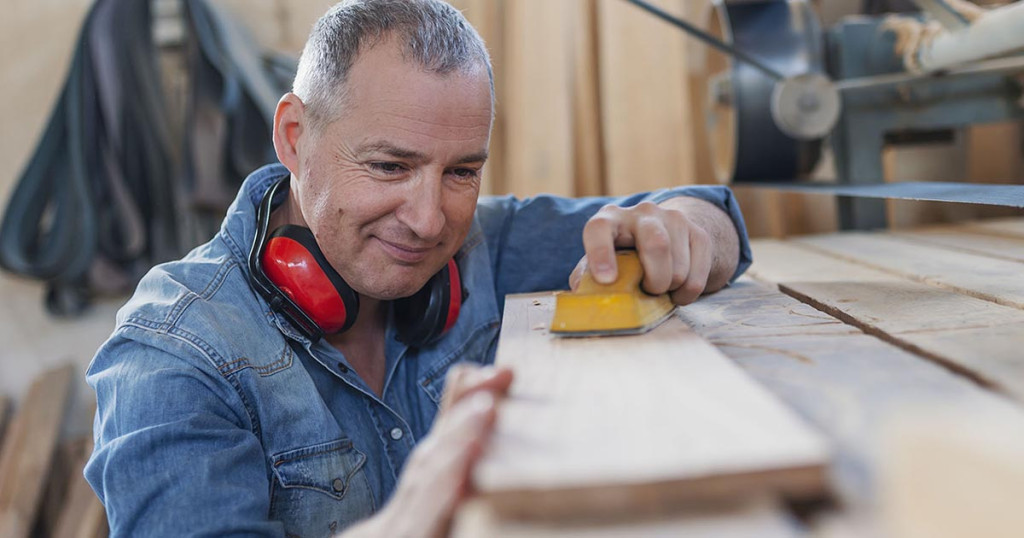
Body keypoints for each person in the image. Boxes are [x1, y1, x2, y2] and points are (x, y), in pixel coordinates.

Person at [85, 0, 752, 536]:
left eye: (462, 171)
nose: (430, 221)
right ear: (294, 137)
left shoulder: (490, 242)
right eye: (390, 166)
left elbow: (713, 215)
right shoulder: (174, 357)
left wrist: (688, 230)